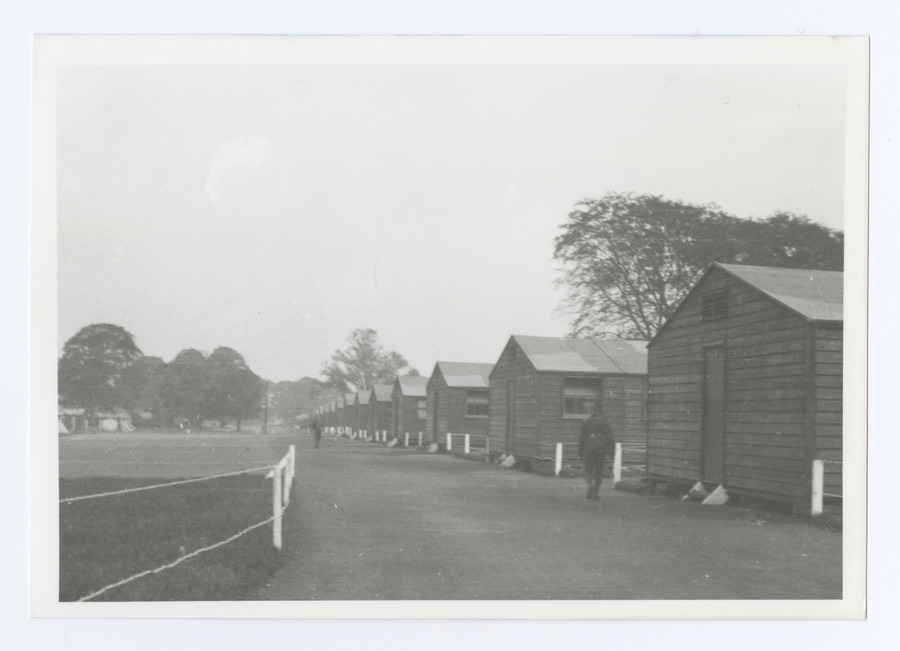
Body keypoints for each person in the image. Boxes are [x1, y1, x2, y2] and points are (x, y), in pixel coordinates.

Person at [579, 405, 615, 500]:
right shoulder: (605, 422)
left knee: (588, 470)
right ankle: (595, 494)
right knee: (599, 471)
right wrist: (612, 452)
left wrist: (580, 452)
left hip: (589, 448)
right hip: (601, 449)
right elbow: (610, 438)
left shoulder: (586, 422)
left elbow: (581, 438)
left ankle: (590, 484)